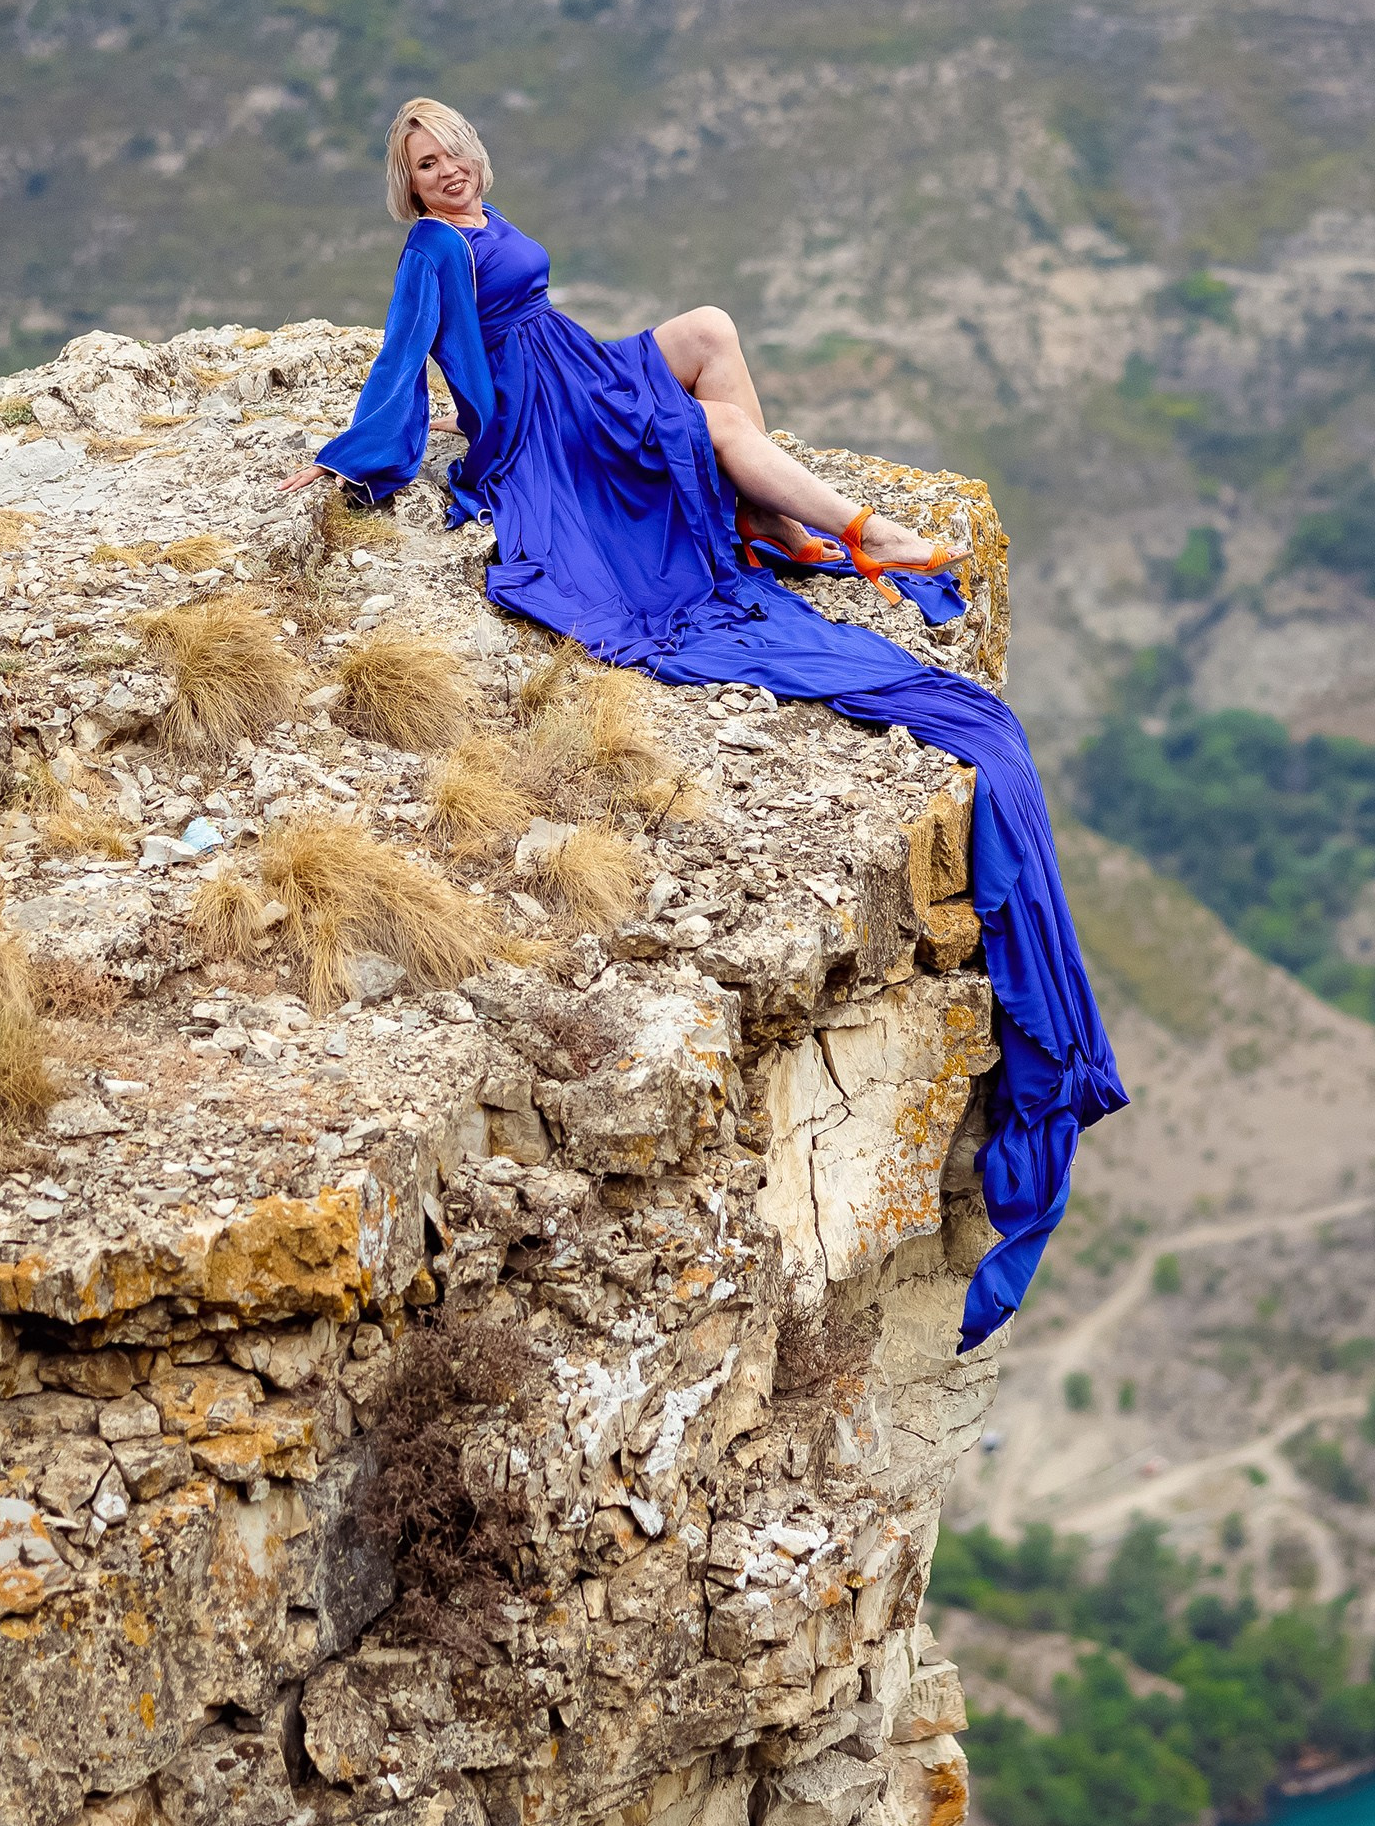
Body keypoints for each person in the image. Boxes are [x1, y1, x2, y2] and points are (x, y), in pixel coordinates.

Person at [282, 94, 1125, 1347]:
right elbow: (414, 358)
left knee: (713, 338)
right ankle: (849, 531)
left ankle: (783, 515)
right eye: (422, 161)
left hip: (574, 368)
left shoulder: (478, 219)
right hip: (553, 431)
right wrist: (368, 459)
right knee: (715, 421)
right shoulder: (434, 248)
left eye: (452, 147)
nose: (445, 165)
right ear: (402, 185)